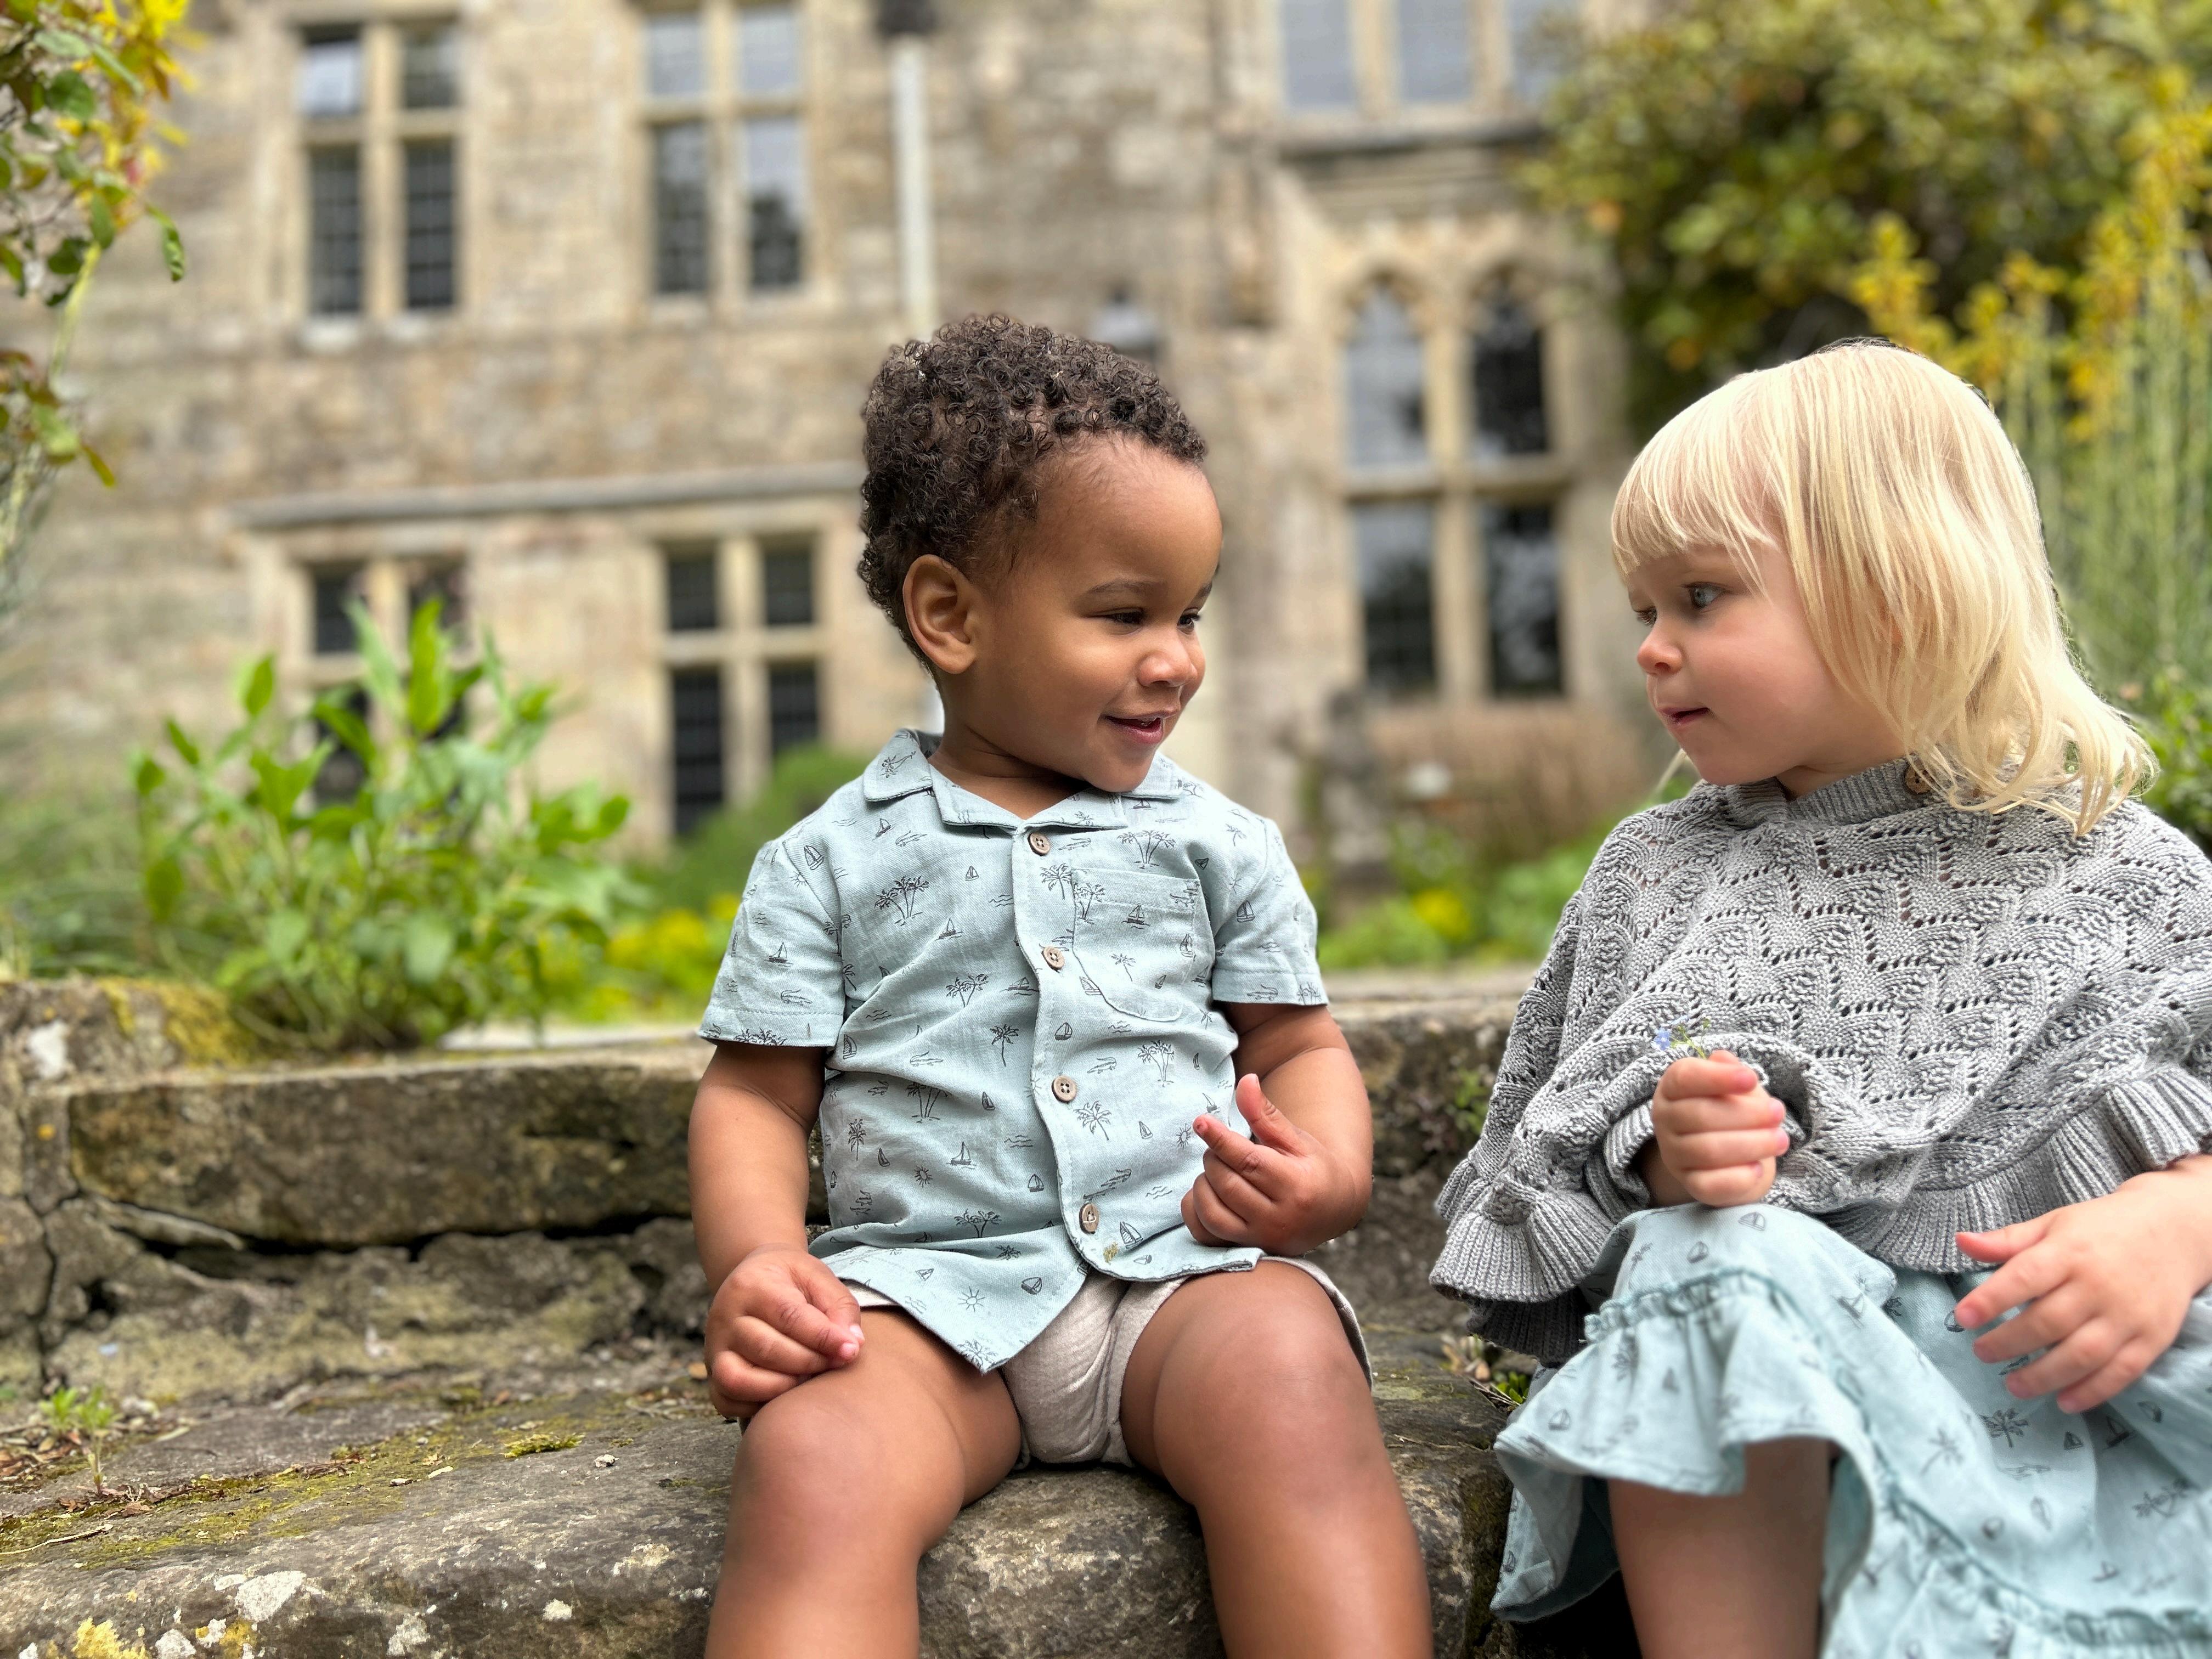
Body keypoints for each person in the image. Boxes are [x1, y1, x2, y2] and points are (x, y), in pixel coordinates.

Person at [1431, 339, 2212, 1658]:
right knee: (1707, 1256)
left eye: (1701, 597)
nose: (1653, 649)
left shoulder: (2119, 874)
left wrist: (2178, 1221)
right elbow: (1548, 1178)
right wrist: (1663, 1159)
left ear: (1895, 595)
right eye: (1643, 608)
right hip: (1772, 1420)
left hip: (2061, 1392)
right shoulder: (1660, 878)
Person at [688, 314, 1432, 1659]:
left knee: (1294, 1376)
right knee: (812, 1462)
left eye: (1190, 615)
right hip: (922, 1312)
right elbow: (754, 1096)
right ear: (951, 617)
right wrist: (760, 1264)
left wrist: (1323, 1173)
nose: (1178, 657)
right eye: (1125, 615)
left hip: (1179, 1290)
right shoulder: (827, 863)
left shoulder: (1219, 845)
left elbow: (1298, 1047)